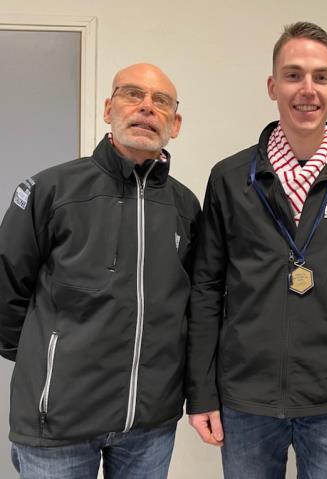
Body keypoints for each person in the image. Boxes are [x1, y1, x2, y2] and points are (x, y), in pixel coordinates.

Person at [187, 21, 327, 478]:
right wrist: (201, 393)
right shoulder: (229, 178)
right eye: (293, 75)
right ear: (272, 85)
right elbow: (206, 290)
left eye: (320, 77)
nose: (307, 89)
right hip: (245, 401)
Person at [0, 63, 200, 479]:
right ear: (109, 108)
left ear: (175, 124)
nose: (146, 107)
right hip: (59, 426)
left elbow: (192, 305)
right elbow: (5, 292)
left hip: (150, 426)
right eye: (132, 95)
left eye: (160, 101)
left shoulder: (186, 208)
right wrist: (51, 362)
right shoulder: (51, 191)